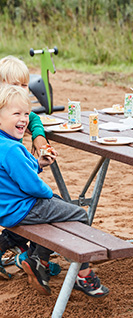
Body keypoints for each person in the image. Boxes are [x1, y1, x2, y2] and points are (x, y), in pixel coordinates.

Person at [0, 84, 109, 296]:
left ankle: (38, 259)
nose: (23, 119)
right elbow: (31, 185)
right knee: (78, 214)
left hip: (8, 209)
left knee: (59, 208)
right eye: (16, 114)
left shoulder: (5, 144)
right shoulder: (12, 149)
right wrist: (48, 193)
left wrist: (38, 163)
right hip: (22, 208)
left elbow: (14, 174)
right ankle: (80, 274)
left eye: (25, 113)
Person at [0, 55, 61, 279]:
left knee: (26, 208)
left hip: (11, 177)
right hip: (7, 180)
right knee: (43, 205)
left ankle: (31, 257)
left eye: (25, 85)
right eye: (14, 85)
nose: (22, 90)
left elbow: (34, 119)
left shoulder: (18, 109)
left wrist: (39, 141)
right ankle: (35, 260)